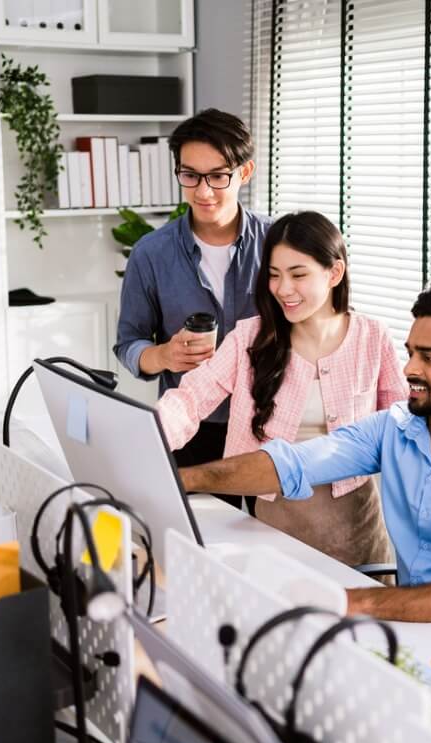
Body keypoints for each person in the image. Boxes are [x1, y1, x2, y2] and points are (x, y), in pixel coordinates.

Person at [180, 283, 431, 639]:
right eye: (411, 352)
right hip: (410, 627)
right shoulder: (395, 427)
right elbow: (291, 464)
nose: (410, 368)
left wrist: (348, 601)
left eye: (430, 357)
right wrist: (183, 479)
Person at [156, 211, 406, 566]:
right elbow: (190, 398)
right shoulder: (250, 338)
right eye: (274, 275)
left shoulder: (372, 337)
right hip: (275, 531)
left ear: (334, 273)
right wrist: (149, 439)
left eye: (298, 274)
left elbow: (403, 427)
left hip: (357, 534)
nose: (283, 289)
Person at [113, 109, 273, 496]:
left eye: (218, 176)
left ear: (245, 172)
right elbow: (128, 343)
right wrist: (164, 356)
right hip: (190, 430)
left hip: (267, 427)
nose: (203, 191)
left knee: (268, 548)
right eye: (190, 175)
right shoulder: (150, 254)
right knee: (198, 545)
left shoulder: (277, 243)